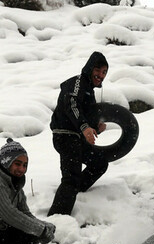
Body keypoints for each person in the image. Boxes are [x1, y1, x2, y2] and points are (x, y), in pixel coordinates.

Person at [47, 51, 110, 216]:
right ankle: (57, 218)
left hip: (76, 137)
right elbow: (72, 104)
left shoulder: (89, 90)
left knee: (99, 163)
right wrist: (84, 127)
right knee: (71, 178)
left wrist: (95, 128)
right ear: (89, 68)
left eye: (104, 72)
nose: (101, 75)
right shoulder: (78, 82)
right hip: (65, 135)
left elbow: (84, 115)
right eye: (98, 70)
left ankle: (75, 191)